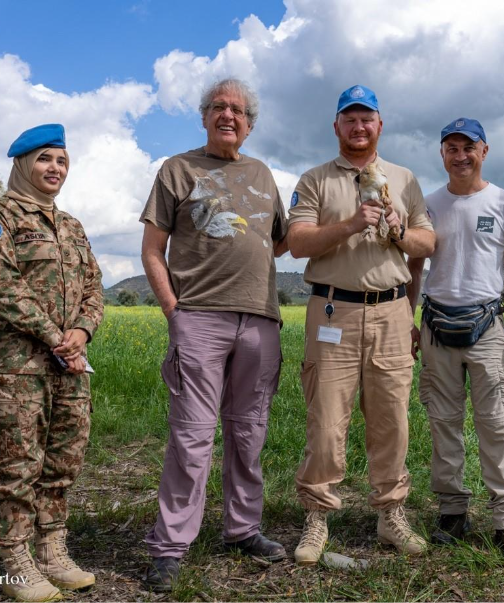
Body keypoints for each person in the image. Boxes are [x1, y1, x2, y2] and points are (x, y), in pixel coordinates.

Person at [140, 78, 289, 591]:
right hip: (199, 317)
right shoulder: (177, 170)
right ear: (204, 116)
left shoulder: (264, 174)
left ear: (250, 123)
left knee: (249, 431)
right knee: (192, 435)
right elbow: (151, 249)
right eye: (219, 108)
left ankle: (242, 529)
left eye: (240, 110)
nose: (230, 116)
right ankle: (170, 546)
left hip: (261, 319)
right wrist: (172, 310)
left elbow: (283, 242)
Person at [288, 84, 436, 565]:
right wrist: (352, 224)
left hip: (392, 311)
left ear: (379, 125)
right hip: (333, 310)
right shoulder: (314, 180)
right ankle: (317, 516)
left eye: (366, 118)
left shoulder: (404, 179)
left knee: (392, 418)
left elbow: (426, 243)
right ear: (336, 127)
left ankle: (391, 514)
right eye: (348, 119)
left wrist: (398, 232)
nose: (358, 127)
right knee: (327, 418)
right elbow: (298, 242)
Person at [0, 123, 103, 602]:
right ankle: (15, 558)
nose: (55, 169)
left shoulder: (70, 226)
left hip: (69, 365)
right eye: (46, 159)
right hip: (16, 366)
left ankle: (51, 549)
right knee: (17, 462)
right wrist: (56, 338)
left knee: (63, 460)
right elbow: (2, 288)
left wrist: (82, 331)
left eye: (63, 161)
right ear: (23, 163)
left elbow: (94, 286)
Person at [407, 118, 504, 560]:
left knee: (497, 422)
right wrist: (410, 320)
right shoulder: (427, 205)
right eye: (451, 148)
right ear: (442, 154)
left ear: (485, 151)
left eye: (469, 147)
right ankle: (452, 511)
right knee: (443, 421)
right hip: (436, 326)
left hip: (487, 327)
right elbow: (414, 269)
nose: (460, 155)